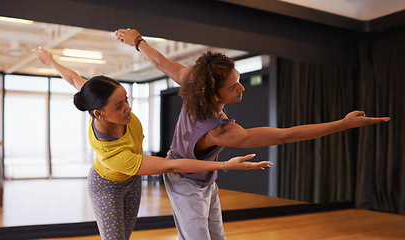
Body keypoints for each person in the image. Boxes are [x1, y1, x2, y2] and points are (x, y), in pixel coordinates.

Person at [115, 28, 391, 240]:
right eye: (233, 86)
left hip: (205, 179)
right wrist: (341, 124)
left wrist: (138, 41)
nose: (242, 88)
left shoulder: (193, 84)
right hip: (185, 182)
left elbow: (161, 62)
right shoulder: (221, 132)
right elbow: (286, 135)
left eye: (239, 80)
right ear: (213, 93)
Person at [32, 47, 272, 240]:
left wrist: (50, 60)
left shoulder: (98, 99)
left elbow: (73, 78)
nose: (128, 108)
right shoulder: (113, 154)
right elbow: (171, 166)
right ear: (99, 114)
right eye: (119, 106)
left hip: (132, 180)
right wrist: (224, 166)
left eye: (125, 99)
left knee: (126, 233)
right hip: (106, 185)